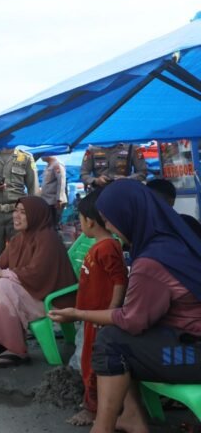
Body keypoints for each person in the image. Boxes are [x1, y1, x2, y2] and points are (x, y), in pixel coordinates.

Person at [49, 180, 201, 433]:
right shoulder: (177, 239)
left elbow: (133, 320)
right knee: (121, 339)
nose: (107, 226)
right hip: (188, 338)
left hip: (193, 353)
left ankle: (103, 426)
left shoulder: (152, 260)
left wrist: (77, 314)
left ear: (129, 215)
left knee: (111, 342)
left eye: (109, 219)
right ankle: (131, 415)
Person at [0, 196, 77, 367]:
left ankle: (16, 350)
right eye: (16, 211)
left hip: (50, 300)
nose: (16, 216)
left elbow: (36, 274)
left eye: (23, 212)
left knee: (4, 285)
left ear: (36, 215)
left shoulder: (47, 238)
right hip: (32, 293)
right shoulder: (20, 238)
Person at [53, 191, 127, 427]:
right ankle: (92, 404)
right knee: (87, 362)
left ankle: (93, 409)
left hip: (99, 319)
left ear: (90, 221)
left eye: (80, 219)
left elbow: (119, 280)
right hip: (88, 317)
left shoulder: (107, 247)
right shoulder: (100, 245)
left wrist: (112, 310)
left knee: (93, 365)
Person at [0, 147, 39, 265]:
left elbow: (33, 189)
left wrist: (32, 215)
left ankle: (17, 282)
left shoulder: (26, 157)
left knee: (20, 255)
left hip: (17, 213)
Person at [80, 143, 147, 191]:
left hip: (124, 192)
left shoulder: (132, 147)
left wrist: (127, 179)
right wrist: (96, 181)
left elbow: (142, 172)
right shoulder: (92, 149)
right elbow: (83, 174)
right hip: (99, 193)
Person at [39, 155, 67, 224]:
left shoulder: (57, 164)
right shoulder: (48, 165)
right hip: (47, 201)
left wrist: (59, 199)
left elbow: (61, 182)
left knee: (53, 225)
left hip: (54, 202)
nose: (41, 157)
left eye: (42, 154)